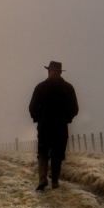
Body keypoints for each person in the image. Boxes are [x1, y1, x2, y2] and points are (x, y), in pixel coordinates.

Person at [28, 61, 79, 191]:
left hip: (44, 125)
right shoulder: (68, 87)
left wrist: (37, 118)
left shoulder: (41, 87)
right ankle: (55, 181)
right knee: (57, 153)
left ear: (49, 71)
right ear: (60, 72)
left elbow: (32, 107)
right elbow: (74, 108)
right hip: (61, 126)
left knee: (43, 152)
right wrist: (67, 118)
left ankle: (42, 178)